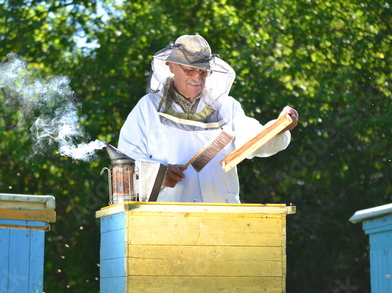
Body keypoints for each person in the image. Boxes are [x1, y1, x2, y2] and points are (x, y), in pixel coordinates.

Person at [118, 34, 299, 203]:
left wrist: (279, 127)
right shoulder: (148, 107)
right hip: (168, 215)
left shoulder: (226, 106)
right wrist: (157, 174)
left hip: (219, 213)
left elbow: (254, 140)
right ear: (172, 66)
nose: (197, 77)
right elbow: (126, 160)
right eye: (190, 70)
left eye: (203, 71)